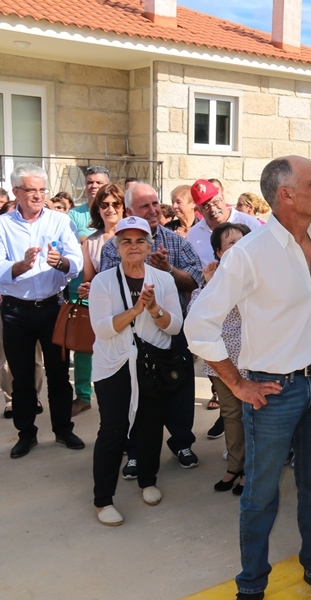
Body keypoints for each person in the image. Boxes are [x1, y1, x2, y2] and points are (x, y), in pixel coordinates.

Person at [185, 155, 311, 600]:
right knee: (260, 494)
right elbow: (199, 326)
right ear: (287, 195)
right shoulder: (249, 254)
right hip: (273, 392)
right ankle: (252, 585)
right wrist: (238, 383)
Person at [100, 183, 203, 469]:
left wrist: (168, 271)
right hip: (133, 335)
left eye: (155, 203)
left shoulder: (176, 241)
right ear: (130, 211)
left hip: (171, 329)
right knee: (137, 393)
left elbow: (195, 280)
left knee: (180, 389)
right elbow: (108, 287)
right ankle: (135, 452)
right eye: (145, 206)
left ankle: (182, 444)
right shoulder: (112, 247)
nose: (154, 210)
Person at [89, 216, 183, 525]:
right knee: (113, 429)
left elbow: (174, 326)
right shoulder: (103, 281)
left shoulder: (163, 279)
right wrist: (135, 309)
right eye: (126, 241)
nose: (134, 246)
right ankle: (103, 500)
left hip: (151, 364)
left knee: (150, 424)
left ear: (149, 245)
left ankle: (148, 480)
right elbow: (103, 329)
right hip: (114, 365)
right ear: (117, 247)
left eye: (140, 240)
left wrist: (154, 308)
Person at [0, 164, 85, 458]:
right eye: (31, 190)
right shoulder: (3, 224)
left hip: (52, 308)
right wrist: (17, 267)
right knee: (22, 377)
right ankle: (26, 434)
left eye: (41, 190)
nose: (38, 196)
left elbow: (76, 259)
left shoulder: (59, 221)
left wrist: (61, 262)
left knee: (59, 375)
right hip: (15, 311)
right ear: (16, 192)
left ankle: (63, 429)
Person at [188, 222, 252, 495]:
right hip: (221, 364)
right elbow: (195, 317)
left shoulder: (255, 280)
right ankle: (235, 465)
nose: (237, 248)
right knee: (231, 415)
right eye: (230, 244)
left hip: (252, 362)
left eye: (242, 242)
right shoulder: (209, 283)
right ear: (218, 252)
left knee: (253, 417)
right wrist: (210, 286)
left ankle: (252, 469)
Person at [74, 183, 127, 415]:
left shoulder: (133, 235)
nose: (110, 208)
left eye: (116, 203)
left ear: (124, 207)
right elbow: (89, 278)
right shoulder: (91, 241)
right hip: (105, 313)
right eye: (104, 204)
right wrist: (88, 288)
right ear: (97, 209)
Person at [186, 179, 261, 266]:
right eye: (206, 206)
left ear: (222, 197)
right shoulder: (194, 234)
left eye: (215, 202)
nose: (213, 209)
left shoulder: (249, 223)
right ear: (199, 210)